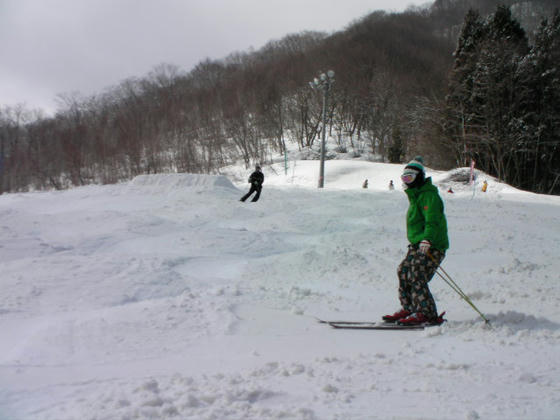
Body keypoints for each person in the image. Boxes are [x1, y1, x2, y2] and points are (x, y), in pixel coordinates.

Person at [383, 156, 449, 326]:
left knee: (416, 273)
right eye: (404, 178)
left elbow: (432, 220)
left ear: (419, 177)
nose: (407, 182)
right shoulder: (416, 196)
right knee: (403, 270)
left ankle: (426, 313)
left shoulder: (428, 196)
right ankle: (410, 307)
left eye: (410, 177)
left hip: (431, 245)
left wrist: (427, 239)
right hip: (418, 244)